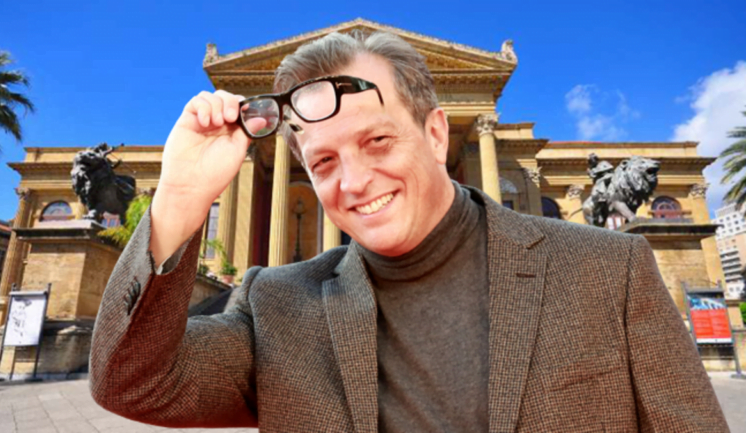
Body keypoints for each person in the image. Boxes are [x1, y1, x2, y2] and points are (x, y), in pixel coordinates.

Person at [89, 30, 728, 432]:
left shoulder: (607, 270)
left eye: (378, 140)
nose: (354, 181)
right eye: (324, 162)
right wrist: (180, 200)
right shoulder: (276, 305)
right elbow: (130, 383)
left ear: (436, 133)